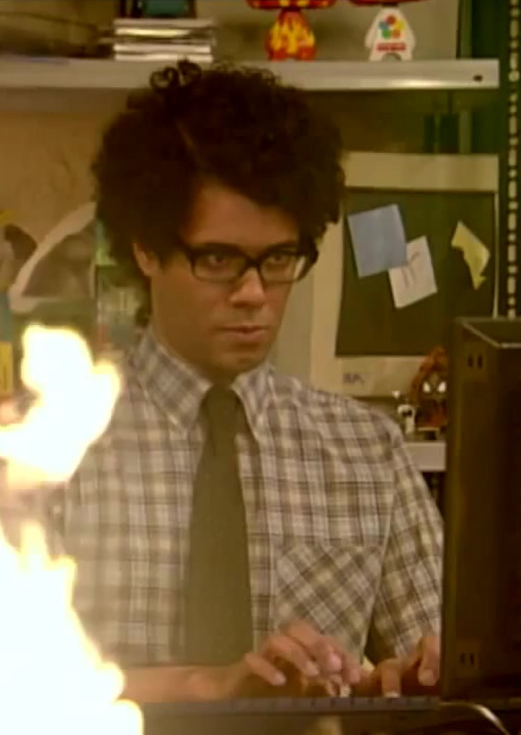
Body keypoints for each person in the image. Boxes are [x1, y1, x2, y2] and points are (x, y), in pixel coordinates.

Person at [51, 60, 444, 702]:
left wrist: (404, 681)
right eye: (218, 259)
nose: (254, 294)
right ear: (146, 248)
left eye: (279, 259)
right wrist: (204, 685)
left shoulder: (367, 454)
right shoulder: (45, 447)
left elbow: (442, 669)